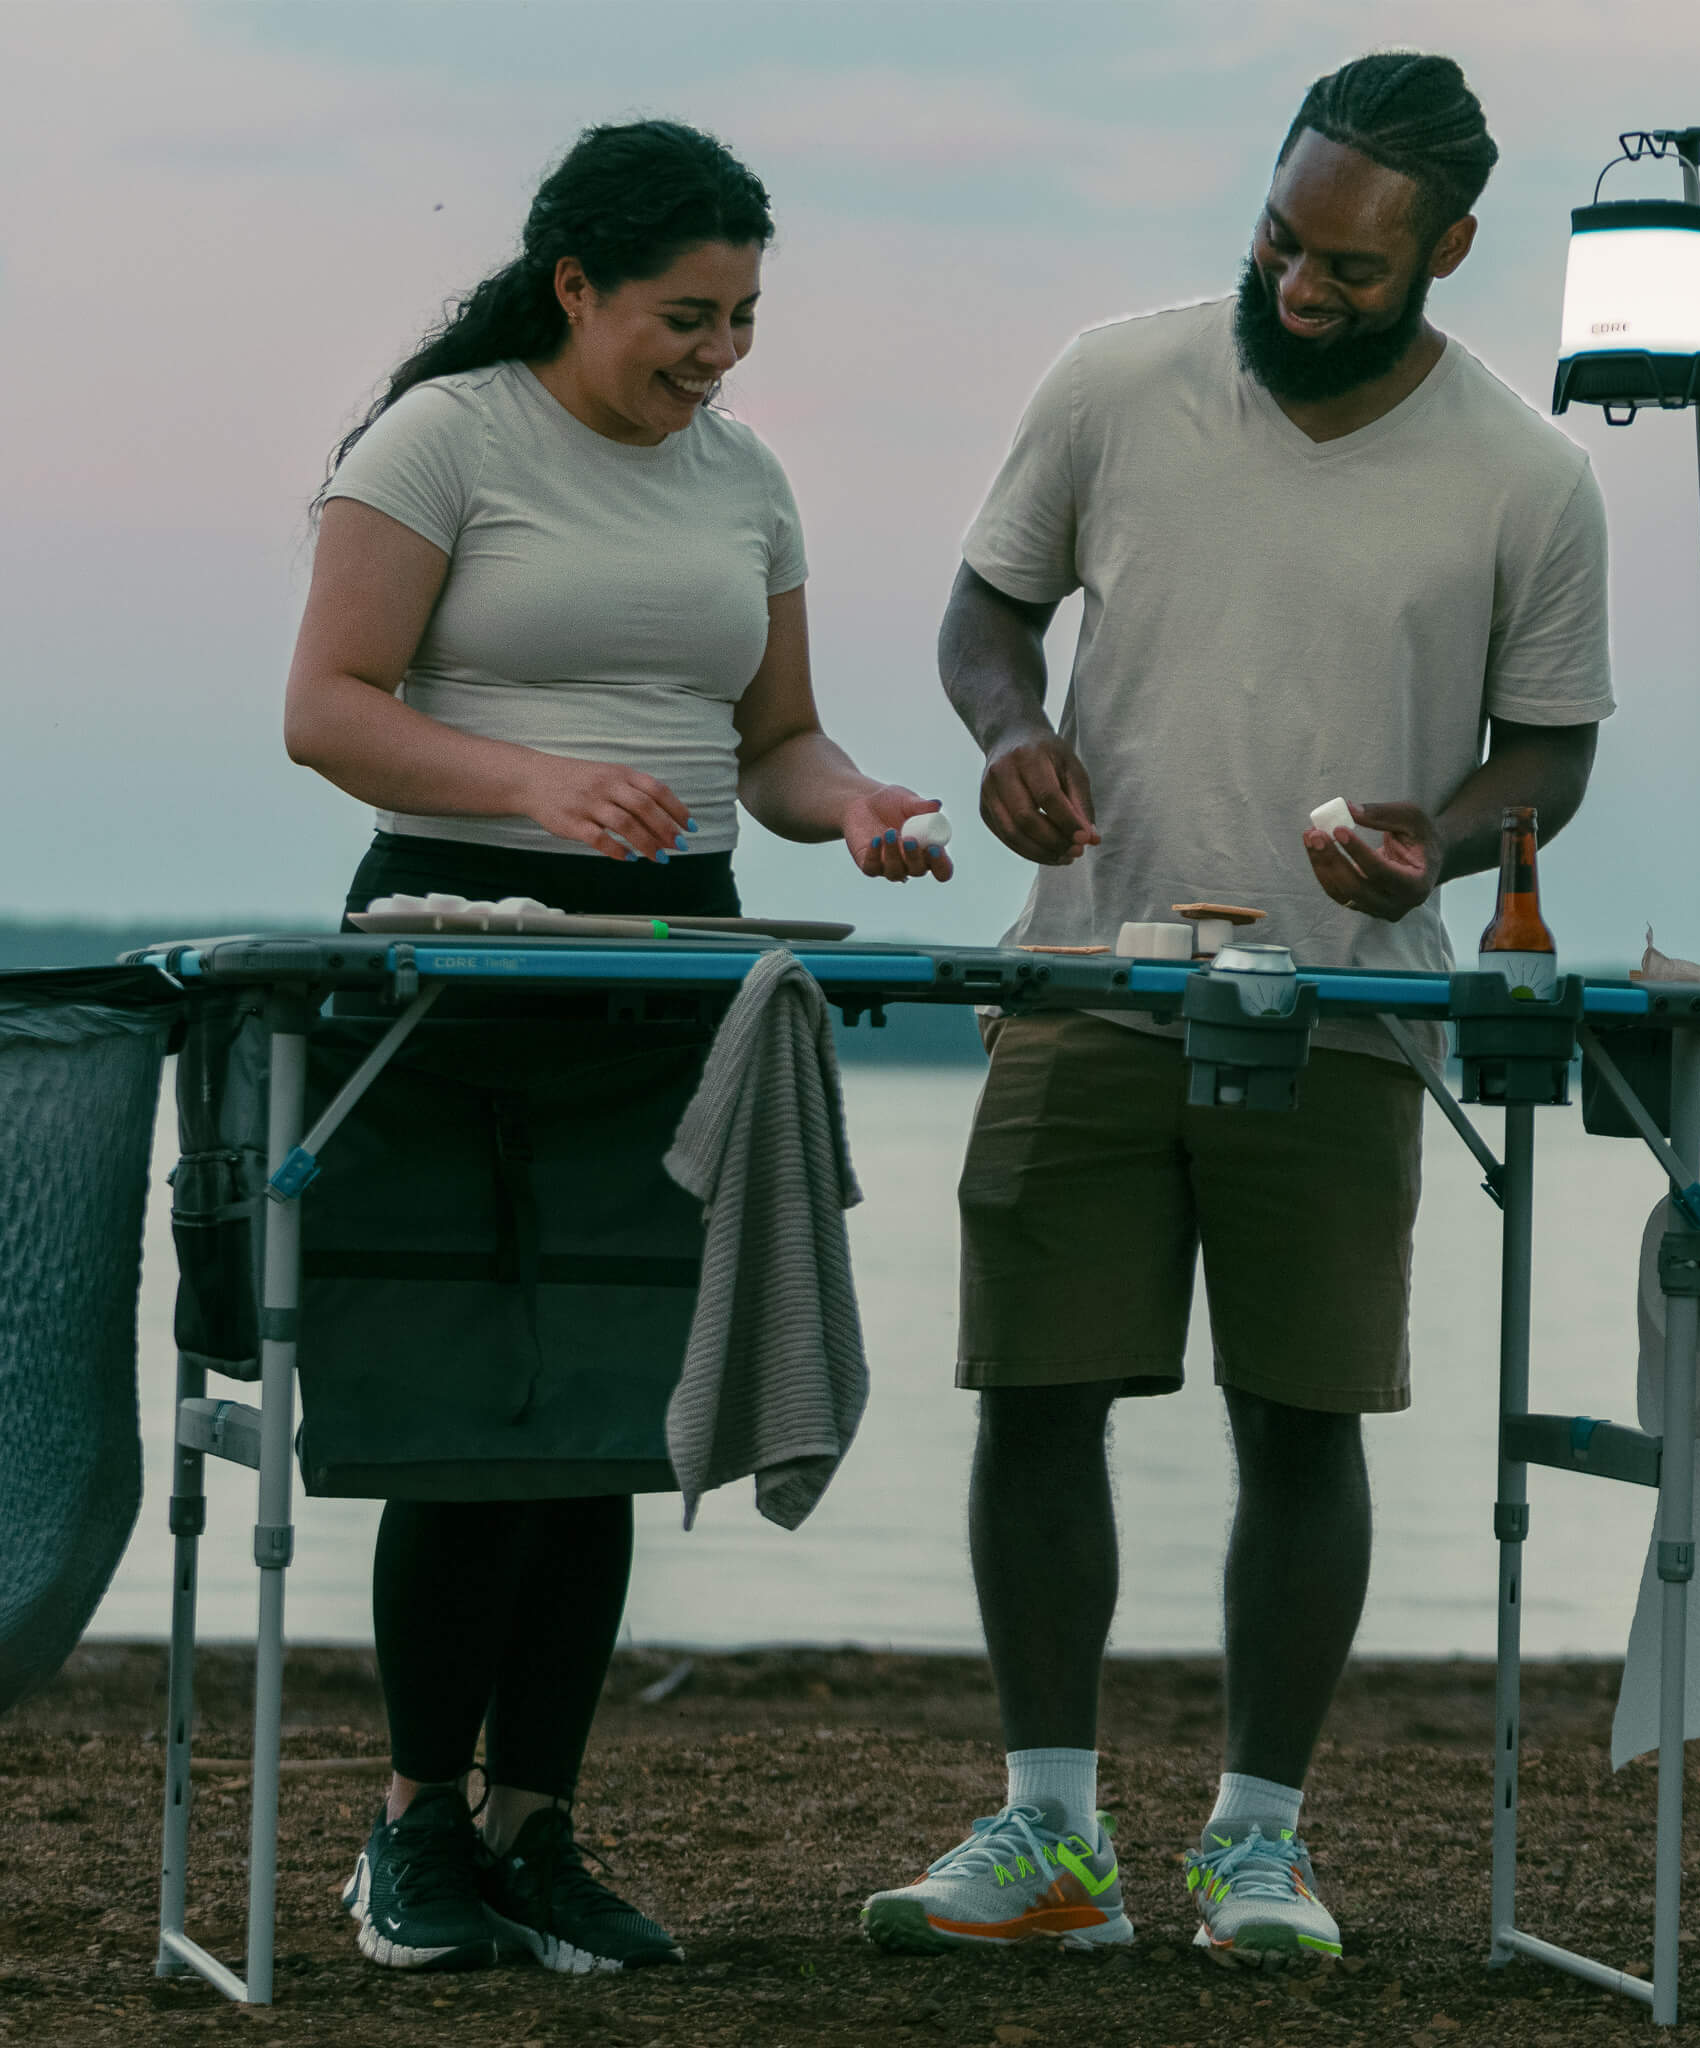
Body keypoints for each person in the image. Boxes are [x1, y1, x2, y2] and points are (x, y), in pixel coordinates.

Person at [863, 53, 1612, 1963]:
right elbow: (981, 616)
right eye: (1281, 235)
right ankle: (1050, 1838)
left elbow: (1548, 763)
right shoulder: (1114, 380)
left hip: (1344, 1014)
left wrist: (1432, 850)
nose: (1299, 284)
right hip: (1086, 972)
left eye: (1352, 268)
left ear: (1446, 251)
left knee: (1306, 1418)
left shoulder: (1531, 477)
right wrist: (1012, 727)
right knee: (1034, 1395)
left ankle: (1255, 1847)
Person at [284, 119, 947, 1977]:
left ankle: (535, 1828)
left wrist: (865, 805)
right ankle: (413, 1828)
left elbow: (779, 747)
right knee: (468, 1395)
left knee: (604, 1409)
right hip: (450, 951)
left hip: (672, 965)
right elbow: (325, 709)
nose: (718, 356)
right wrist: (534, 781)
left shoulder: (747, 481)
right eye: (682, 316)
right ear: (572, 286)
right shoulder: (446, 438)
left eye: (742, 318)